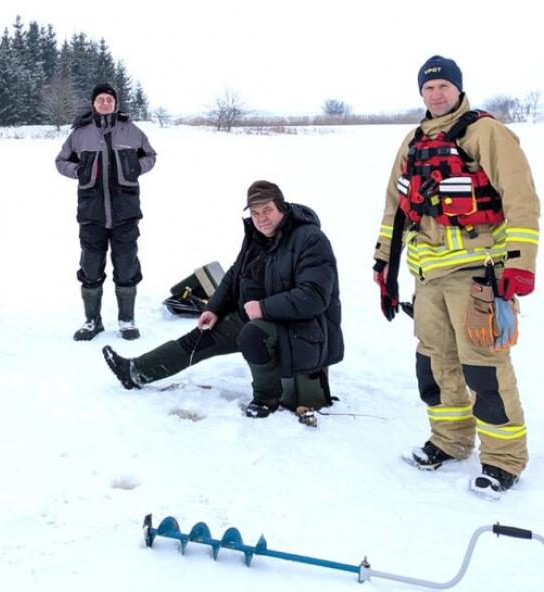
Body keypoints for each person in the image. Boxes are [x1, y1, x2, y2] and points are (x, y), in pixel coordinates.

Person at [373, 56, 539, 498]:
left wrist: (520, 265)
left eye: (443, 86)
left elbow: (521, 198)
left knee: (484, 368)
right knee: (434, 364)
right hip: (427, 277)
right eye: (428, 88)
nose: (436, 94)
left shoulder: (486, 132)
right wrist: (383, 269)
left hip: (477, 274)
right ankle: (450, 440)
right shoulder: (411, 142)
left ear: (458, 88)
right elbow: (395, 209)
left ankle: (503, 459)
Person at [103, 181, 343, 417]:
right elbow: (235, 274)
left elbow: (314, 296)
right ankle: (135, 372)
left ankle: (266, 399)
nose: (261, 218)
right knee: (200, 337)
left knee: (253, 335)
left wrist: (263, 307)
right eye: (255, 212)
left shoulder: (310, 239)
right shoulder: (256, 237)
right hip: (257, 317)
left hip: (302, 328)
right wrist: (214, 308)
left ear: (282, 207)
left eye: (267, 209)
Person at [56, 83, 157, 341]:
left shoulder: (131, 131)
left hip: (126, 213)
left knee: (126, 266)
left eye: (109, 100)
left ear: (115, 104)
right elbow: (61, 161)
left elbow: (150, 156)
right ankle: (92, 321)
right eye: (100, 99)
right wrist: (78, 171)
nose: (104, 103)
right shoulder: (80, 134)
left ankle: (126, 320)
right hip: (91, 214)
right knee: (90, 267)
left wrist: (135, 167)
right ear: (93, 104)